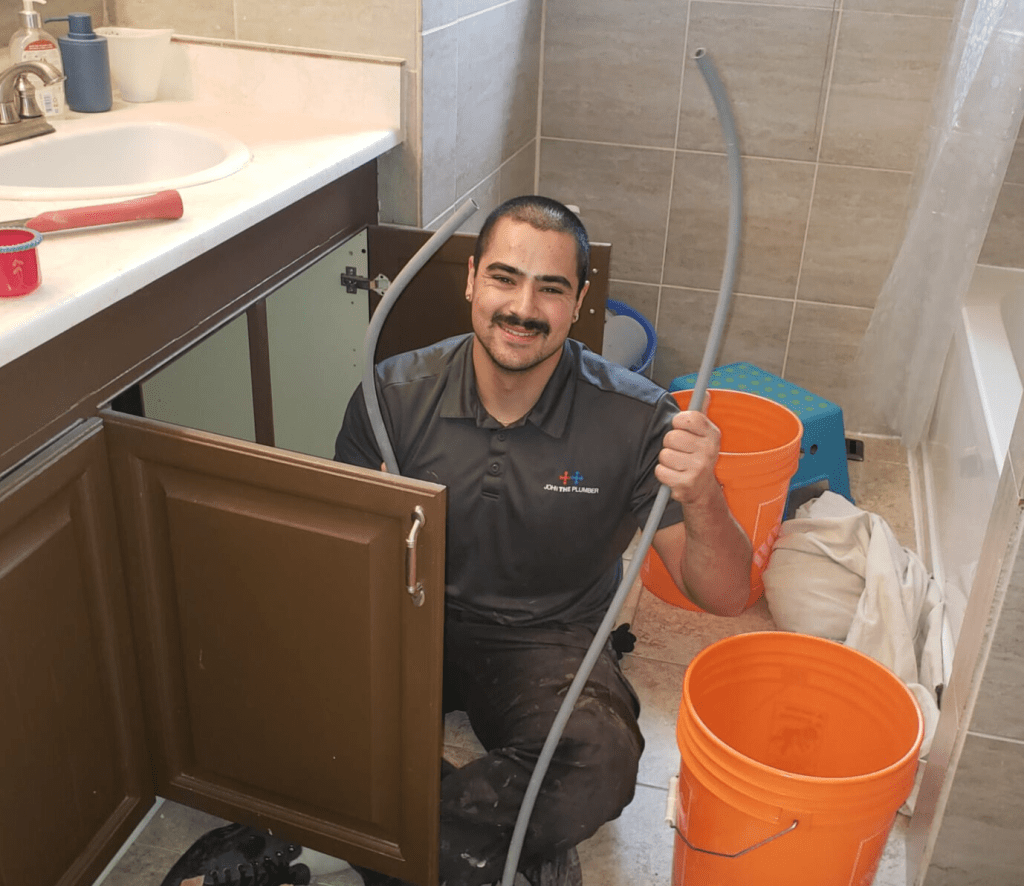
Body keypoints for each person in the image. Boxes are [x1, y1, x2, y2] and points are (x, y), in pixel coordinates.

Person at [334, 196, 752, 886]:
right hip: (414, 617)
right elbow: (343, 559)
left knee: (599, 760)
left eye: (551, 288)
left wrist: (705, 495)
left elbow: (726, 595)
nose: (523, 308)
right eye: (504, 278)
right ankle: (499, 842)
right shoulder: (393, 394)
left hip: (545, 641)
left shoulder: (636, 419)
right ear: (472, 279)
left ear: (580, 300)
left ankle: (393, 844)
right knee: (283, 698)